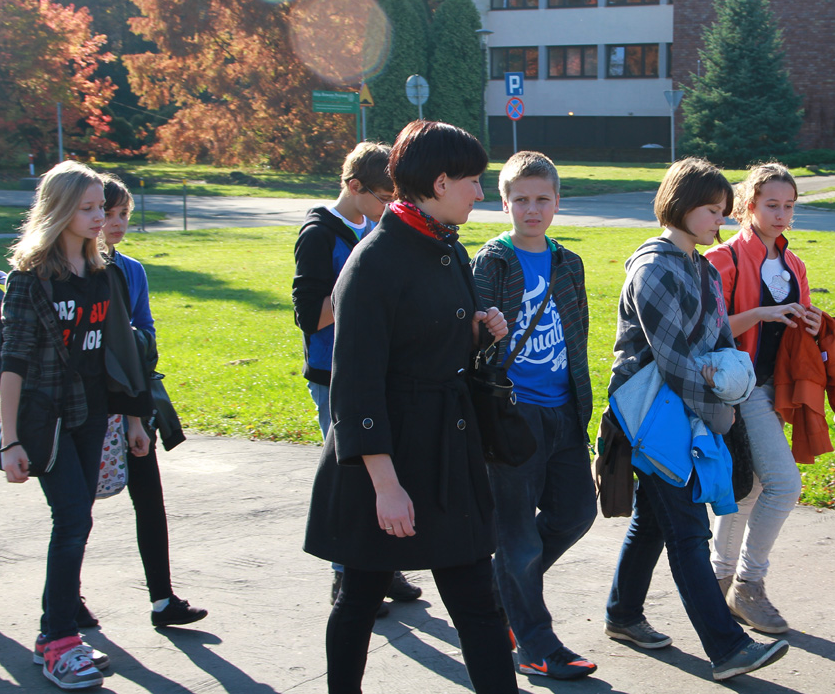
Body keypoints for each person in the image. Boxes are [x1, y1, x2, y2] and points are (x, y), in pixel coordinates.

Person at [303, 121, 515, 694]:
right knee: (359, 598)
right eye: (472, 181)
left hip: (448, 450)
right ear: (440, 182)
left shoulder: (446, 244)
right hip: (387, 460)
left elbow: (429, 341)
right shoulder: (373, 261)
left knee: (478, 603)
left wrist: (479, 331)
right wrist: (386, 486)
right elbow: (355, 385)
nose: (480, 192)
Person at [603, 157, 790, 682]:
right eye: (711, 210)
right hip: (652, 417)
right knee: (688, 531)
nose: (720, 220)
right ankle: (728, 649)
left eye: (723, 210)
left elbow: (722, 346)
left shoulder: (703, 268)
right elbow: (675, 361)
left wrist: (732, 385)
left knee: (653, 521)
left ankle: (622, 615)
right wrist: (721, 413)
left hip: (687, 413)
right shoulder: (654, 268)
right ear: (681, 206)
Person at [0, 161, 152, 690]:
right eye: (86, 208)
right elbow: (12, 360)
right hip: (46, 419)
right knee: (70, 520)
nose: (98, 218)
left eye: (100, 208)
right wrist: (10, 439)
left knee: (77, 520)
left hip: (92, 415)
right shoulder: (31, 277)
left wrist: (132, 418)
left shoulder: (104, 273)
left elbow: (118, 353)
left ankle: (55, 636)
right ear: (60, 210)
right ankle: (59, 639)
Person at [472, 151, 597, 679]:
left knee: (577, 512)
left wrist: (579, 406)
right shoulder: (491, 262)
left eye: (542, 199)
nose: (532, 209)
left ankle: (501, 592)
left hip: (563, 410)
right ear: (505, 204)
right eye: (521, 199)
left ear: (557, 203)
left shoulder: (569, 262)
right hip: (511, 415)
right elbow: (472, 341)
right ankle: (536, 645)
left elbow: (577, 337)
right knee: (519, 537)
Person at [291, 142, 420, 608]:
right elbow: (309, 315)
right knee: (353, 477)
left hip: (378, 371)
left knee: (386, 473)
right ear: (353, 185)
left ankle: (383, 569)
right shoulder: (318, 234)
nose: (389, 208)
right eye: (384, 198)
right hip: (333, 375)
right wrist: (360, 286)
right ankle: (345, 576)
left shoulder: (373, 226)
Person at [704, 163, 821, 634]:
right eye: (772, 205)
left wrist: (813, 323)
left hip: (779, 388)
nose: (781, 215)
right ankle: (749, 585)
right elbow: (707, 331)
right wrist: (760, 314)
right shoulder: (724, 259)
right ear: (748, 206)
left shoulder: (795, 265)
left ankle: (717, 584)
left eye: (788, 206)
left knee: (750, 489)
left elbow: (802, 325)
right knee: (784, 485)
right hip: (742, 387)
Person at [84, 175, 206, 628]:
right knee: (76, 510)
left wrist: (130, 343)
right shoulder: (74, 269)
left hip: (131, 399)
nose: (115, 223)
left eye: (123, 214)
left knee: (149, 499)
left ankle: (162, 599)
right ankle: (66, 598)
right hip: (86, 405)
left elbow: (146, 332)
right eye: (107, 213)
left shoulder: (132, 270)